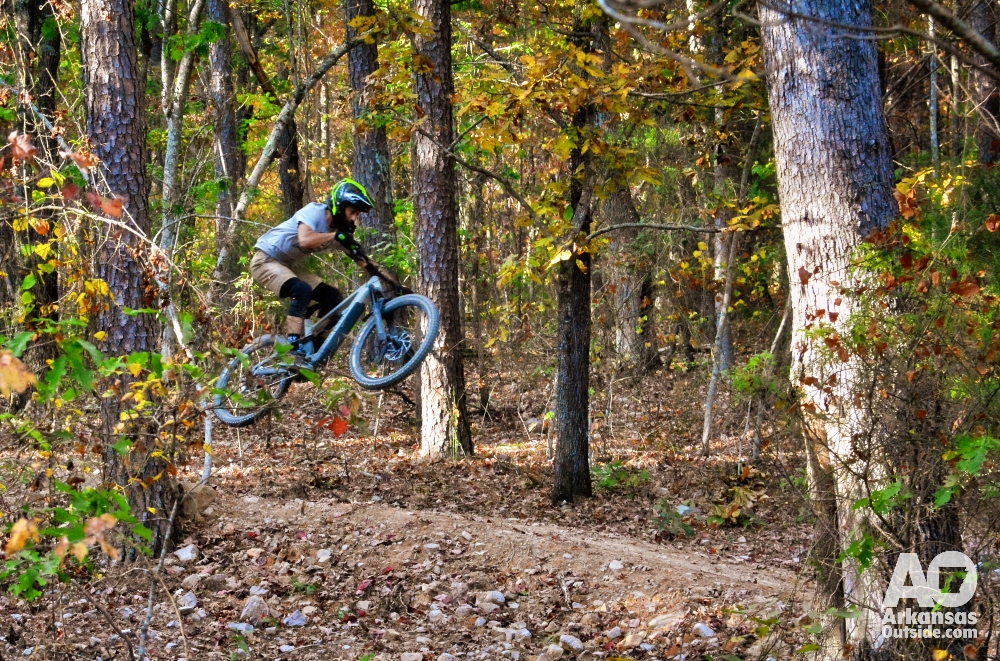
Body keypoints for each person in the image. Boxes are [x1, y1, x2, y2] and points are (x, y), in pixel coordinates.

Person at [250, 178, 388, 348]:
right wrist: (335, 236)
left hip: (286, 266)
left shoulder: (337, 233)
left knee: (333, 297)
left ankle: (314, 348)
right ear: (340, 205)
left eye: (357, 215)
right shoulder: (315, 212)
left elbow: (366, 262)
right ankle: (292, 348)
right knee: (301, 290)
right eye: (352, 212)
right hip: (265, 259)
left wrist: (393, 284)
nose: (354, 219)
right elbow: (305, 240)